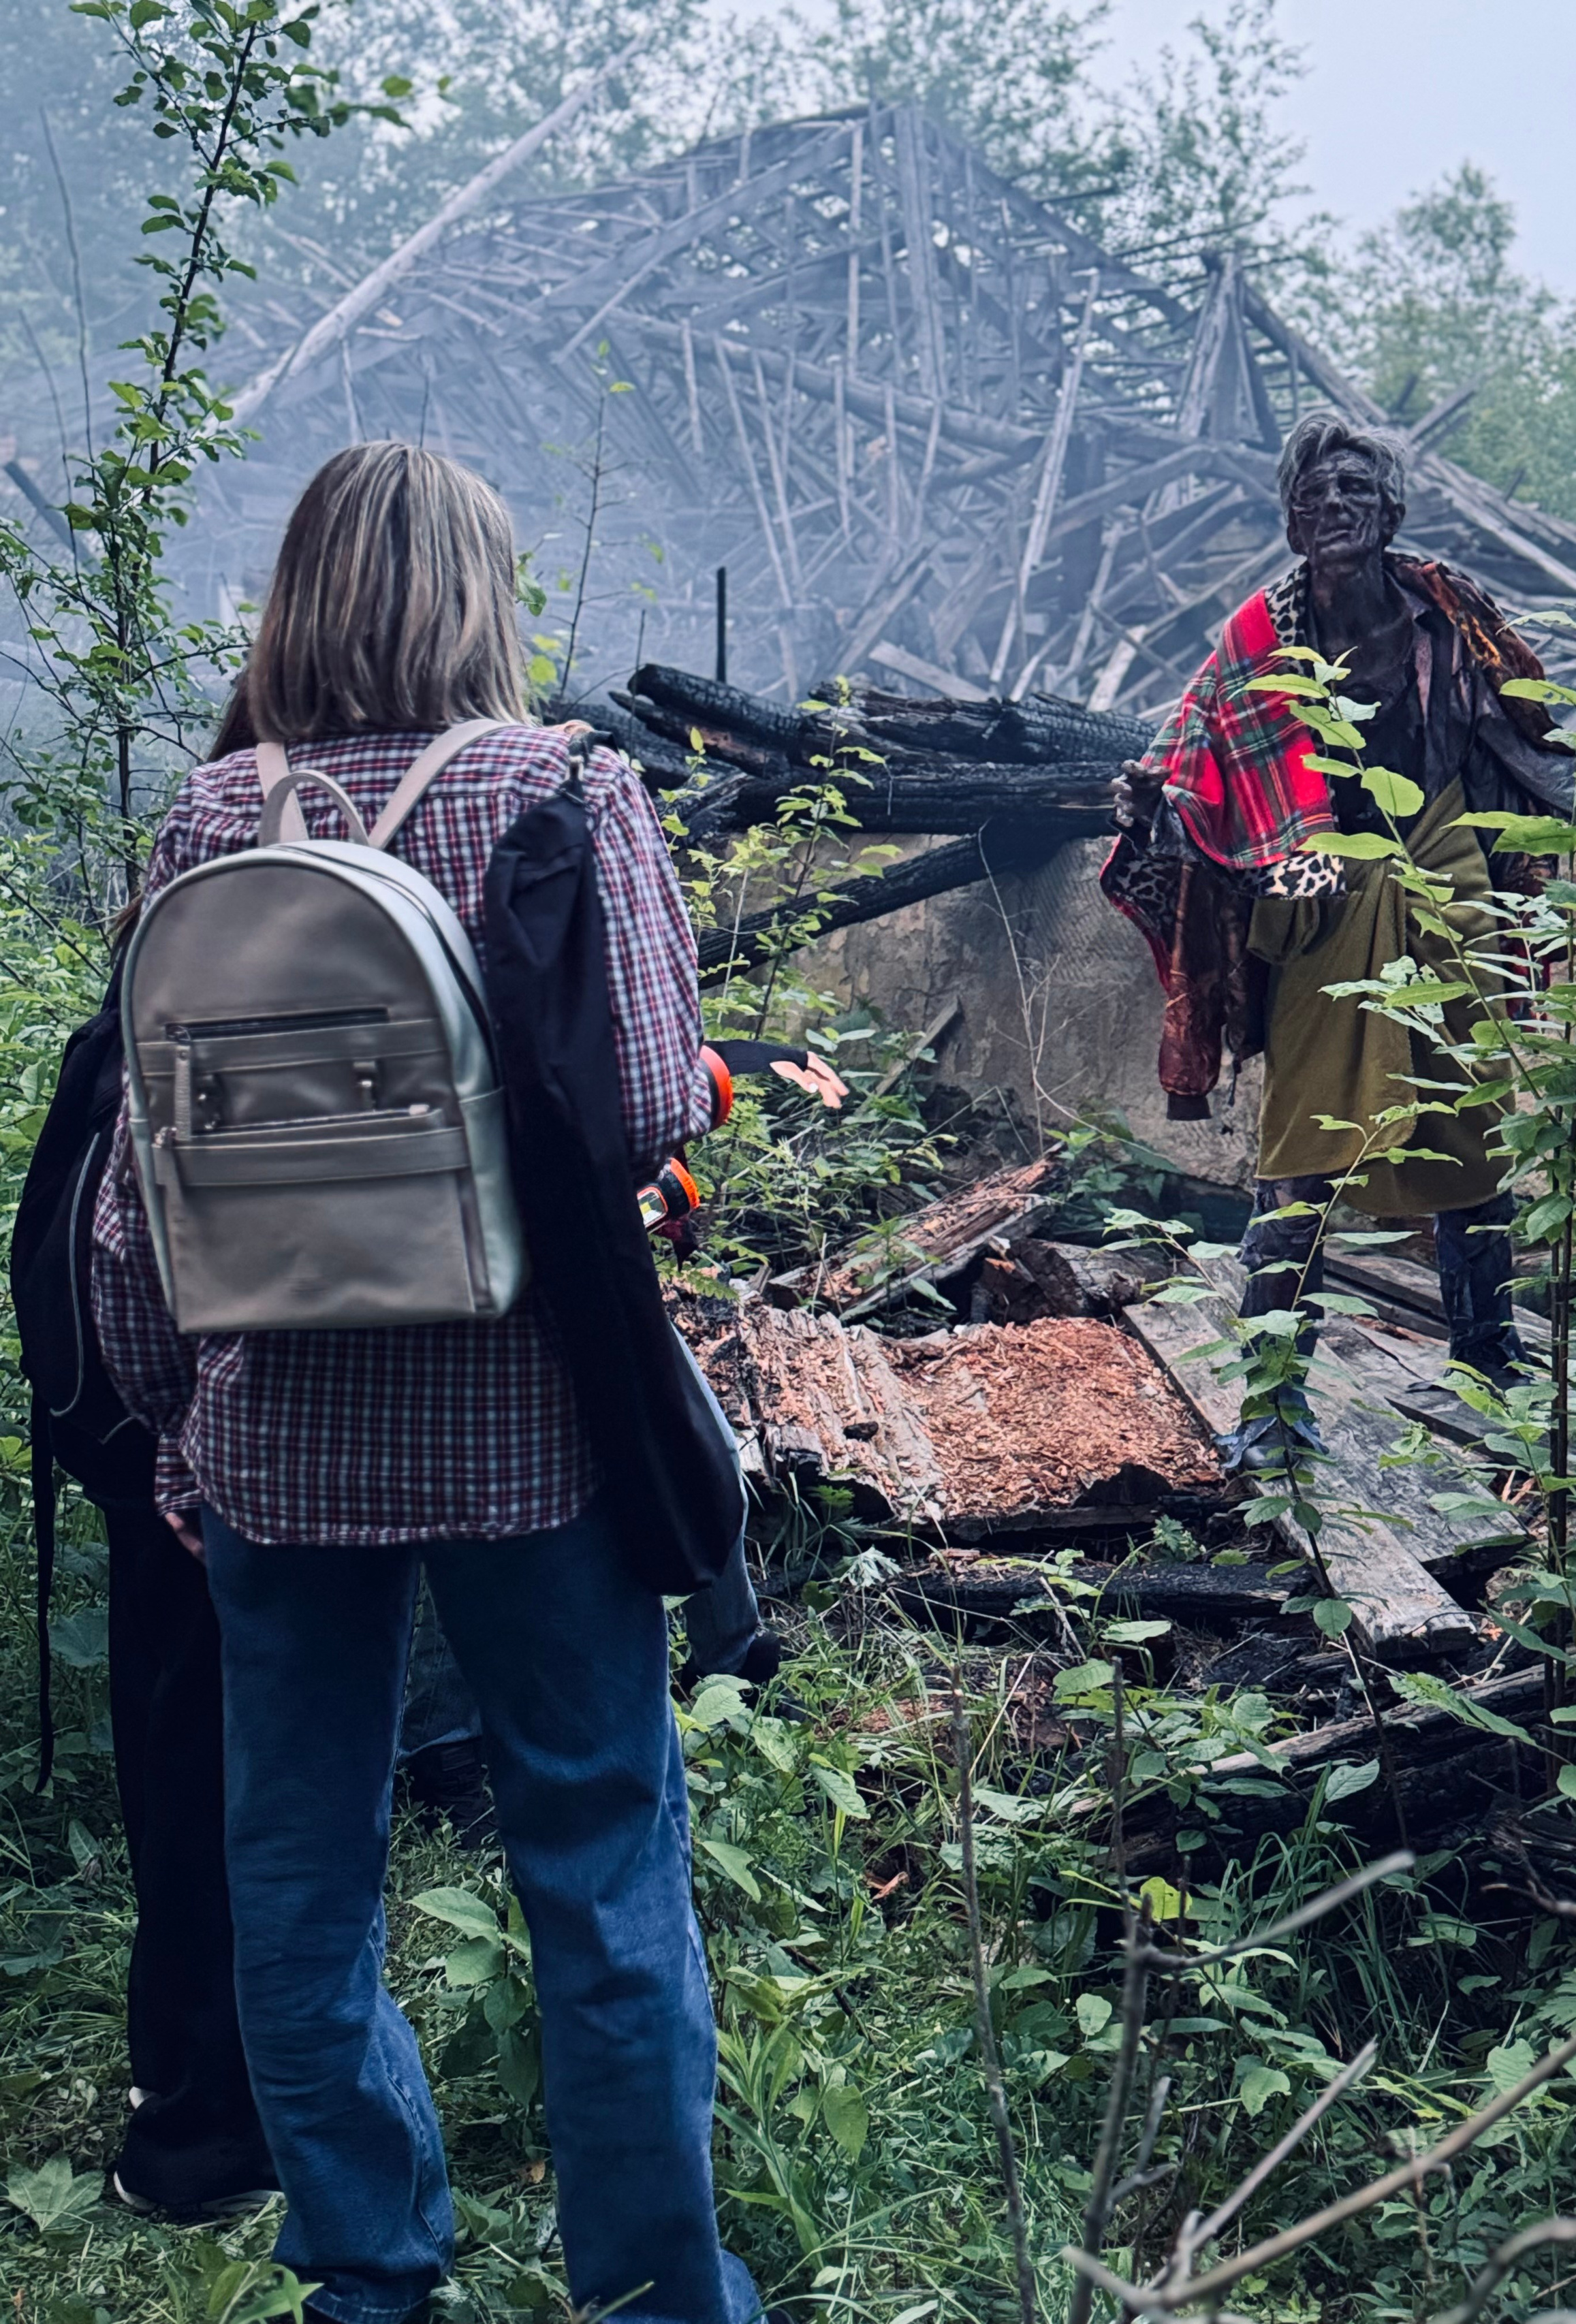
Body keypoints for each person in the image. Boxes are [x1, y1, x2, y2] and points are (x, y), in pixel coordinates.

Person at [91, 441, 766, 2324]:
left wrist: (170, 1412)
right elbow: (641, 1102)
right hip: (533, 1426)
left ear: (299, 597)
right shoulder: (566, 792)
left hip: (279, 1443)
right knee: (600, 1858)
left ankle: (373, 2279)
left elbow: (144, 1172)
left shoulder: (213, 820)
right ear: (485, 594)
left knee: (295, 1873)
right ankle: (654, 2295)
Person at [1102, 412, 1576, 1471]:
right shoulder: (1261, 633)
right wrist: (1148, 790)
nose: (1334, 507)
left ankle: (1491, 1362)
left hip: (1445, 880)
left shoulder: (1445, 616)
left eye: (1355, 491)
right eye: (1314, 495)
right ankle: (1269, 1402)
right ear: (1292, 517)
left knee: (1472, 1133)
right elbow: (1194, 747)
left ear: (1390, 511)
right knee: (1303, 1153)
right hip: (1319, 891)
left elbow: (1511, 741)